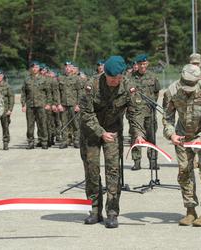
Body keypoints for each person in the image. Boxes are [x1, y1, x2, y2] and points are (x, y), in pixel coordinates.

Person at [80, 56, 145, 228]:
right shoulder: (91, 85)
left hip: (114, 131)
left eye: (117, 78)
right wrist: (101, 132)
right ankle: (94, 210)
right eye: (111, 79)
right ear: (104, 74)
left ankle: (112, 212)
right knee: (92, 170)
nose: (114, 82)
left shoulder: (128, 86)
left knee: (113, 170)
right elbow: (86, 114)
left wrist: (137, 133)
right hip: (91, 132)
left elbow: (135, 112)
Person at [162, 64, 201, 227]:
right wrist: (171, 134)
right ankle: (190, 210)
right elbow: (167, 117)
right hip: (182, 136)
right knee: (184, 172)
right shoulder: (172, 91)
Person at [129, 54, 161, 170]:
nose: (142, 66)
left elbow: (157, 91)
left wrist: (152, 102)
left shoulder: (153, 77)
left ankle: (153, 161)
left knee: (151, 137)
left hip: (149, 112)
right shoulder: (130, 78)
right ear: (137, 65)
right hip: (136, 112)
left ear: (147, 64)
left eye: (144, 64)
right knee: (136, 136)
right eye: (140, 64)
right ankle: (136, 161)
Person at [21, 61, 52, 149]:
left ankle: (44, 142)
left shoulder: (44, 79)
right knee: (30, 125)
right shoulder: (27, 79)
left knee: (42, 124)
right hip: (30, 105)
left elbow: (48, 92)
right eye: (33, 67)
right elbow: (23, 93)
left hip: (41, 105)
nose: (34, 69)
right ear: (31, 68)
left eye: (36, 67)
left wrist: (48, 104)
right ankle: (30, 142)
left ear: (39, 69)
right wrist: (23, 104)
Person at [57, 61, 81, 149]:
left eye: (69, 66)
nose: (67, 68)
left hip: (73, 104)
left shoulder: (77, 78)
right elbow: (57, 92)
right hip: (63, 104)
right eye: (66, 66)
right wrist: (58, 104)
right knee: (64, 123)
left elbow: (80, 92)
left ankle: (77, 140)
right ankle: (65, 141)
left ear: (72, 68)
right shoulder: (60, 78)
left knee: (75, 123)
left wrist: (78, 104)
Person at [0, 70, 15, 150]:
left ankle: (5, 143)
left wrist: (10, 109)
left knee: (5, 127)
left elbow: (11, 98)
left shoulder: (7, 86)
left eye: (0, 76)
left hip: (5, 110)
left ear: (3, 76)